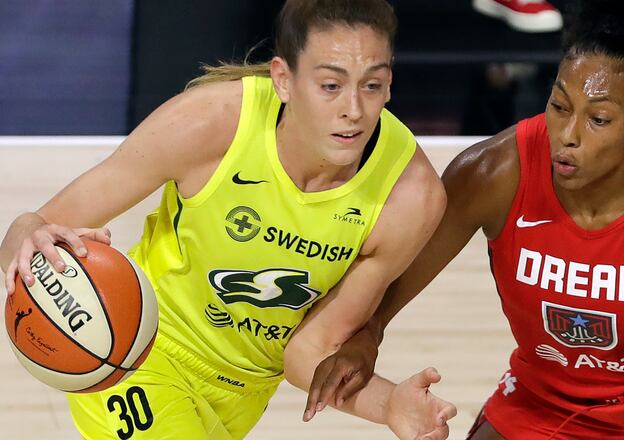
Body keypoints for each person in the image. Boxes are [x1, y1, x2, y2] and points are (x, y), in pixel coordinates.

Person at [304, 0, 624, 438]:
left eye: (598, 119)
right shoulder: (493, 173)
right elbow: (401, 268)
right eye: (560, 106)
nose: (568, 135)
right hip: (550, 392)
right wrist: (367, 335)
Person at [0, 0, 457, 438]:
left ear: (389, 84)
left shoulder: (409, 197)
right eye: (331, 86)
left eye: (371, 85)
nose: (353, 110)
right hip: (136, 350)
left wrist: (390, 403)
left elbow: (308, 354)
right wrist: (24, 235)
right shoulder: (208, 124)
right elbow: (36, 224)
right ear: (283, 79)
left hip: (244, 395)